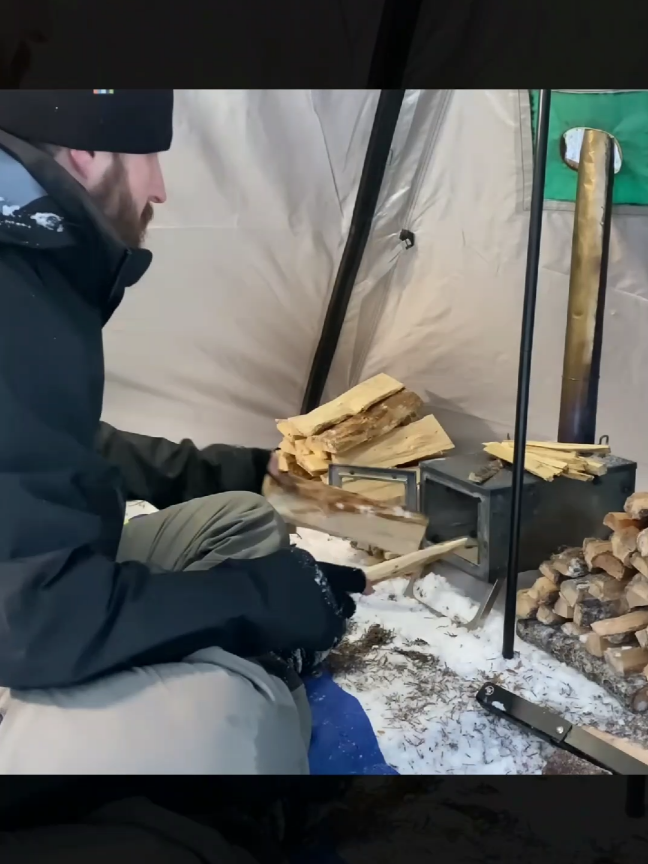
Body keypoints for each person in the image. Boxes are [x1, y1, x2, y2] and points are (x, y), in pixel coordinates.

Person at [0, 90, 368, 774]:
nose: (160, 190)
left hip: (32, 598)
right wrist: (262, 601)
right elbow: (34, 622)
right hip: (29, 630)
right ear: (86, 151)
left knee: (242, 523)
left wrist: (259, 472)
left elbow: (59, 447)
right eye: (150, 159)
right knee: (217, 717)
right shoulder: (13, 285)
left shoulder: (34, 261)